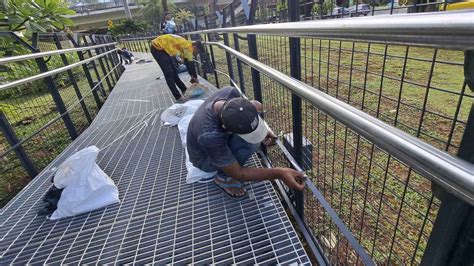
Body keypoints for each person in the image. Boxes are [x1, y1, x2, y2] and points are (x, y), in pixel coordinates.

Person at [187, 87, 306, 198]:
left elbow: (250, 109)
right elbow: (239, 173)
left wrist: (262, 132)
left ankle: (229, 164)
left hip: (213, 141)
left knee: (252, 140)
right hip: (204, 160)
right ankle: (223, 179)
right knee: (250, 144)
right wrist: (279, 173)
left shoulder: (230, 92)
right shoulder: (210, 136)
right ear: (225, 127)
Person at [150, 34, 203, 102]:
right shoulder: (188, 47)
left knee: (174, 72)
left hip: (164, 49)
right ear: (195, 47)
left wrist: (193, 77)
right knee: (169, 73)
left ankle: (184, 90)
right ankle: (178, 97)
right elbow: (190, 65)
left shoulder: (187, 45)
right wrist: (195, 79)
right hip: (157, 48)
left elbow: (188, 64)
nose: (196, 54)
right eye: (197, 52)